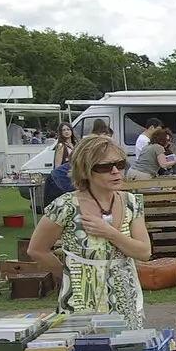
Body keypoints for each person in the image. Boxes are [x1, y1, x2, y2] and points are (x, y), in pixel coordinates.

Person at [27, 135, 152, 326]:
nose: (115, 171)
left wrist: (110, 232)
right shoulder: (66, 206)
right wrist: (68, 275)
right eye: (104, 167)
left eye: (120, 164)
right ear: (85, 170)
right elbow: (37, 250)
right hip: (81, 302)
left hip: (125, 299)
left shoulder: (131, 202)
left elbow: (144, 252)